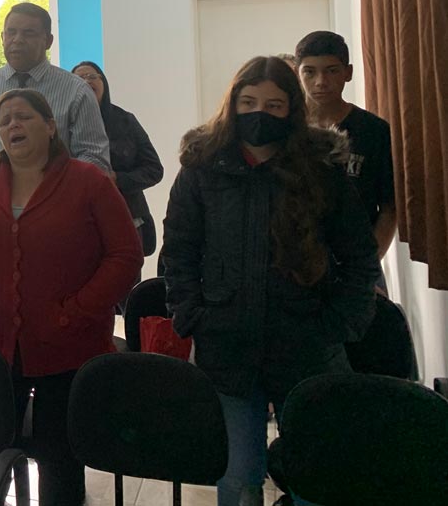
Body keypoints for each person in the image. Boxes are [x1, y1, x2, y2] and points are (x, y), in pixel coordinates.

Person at [162, 56, 378, 506]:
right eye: (248, 102)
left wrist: (340, 323)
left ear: (291, 109)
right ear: (232, 104)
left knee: (314, 479)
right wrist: (192, 315)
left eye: (274, 105)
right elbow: (179, 251)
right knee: (238, 479)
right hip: (227, 347)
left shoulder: (321, 167)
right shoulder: (202, 166)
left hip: (309, 347)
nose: (259, 113)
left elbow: (359, 255)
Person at [0, 88, 141, 505]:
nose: (12, 125)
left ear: (50, 126)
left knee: (59, 462)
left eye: (24, 116)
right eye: (4, 121)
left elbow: (125, 256)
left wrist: (78, 310)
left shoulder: (88, 182)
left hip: (68, 348)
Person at [0, 2, 110, 180]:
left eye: (29, 33)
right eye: (11, 32)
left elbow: (95, 157)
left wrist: (47, 182)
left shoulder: (77, 91)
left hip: (57, 193)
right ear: (2, 37)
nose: (17, 40)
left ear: (48, 41)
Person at [295, 31, 396, 284]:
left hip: (358, 260)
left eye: (331, 71)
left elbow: (389, 208)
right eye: (310, 72)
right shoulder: (288, 130)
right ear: (297, 73)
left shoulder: (373, 130)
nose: (321, 82)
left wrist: (368, 262)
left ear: (348, 73)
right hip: (297, 263)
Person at [71, 61, 164, 256]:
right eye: (79, 78)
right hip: (79, 222)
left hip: (127, 218)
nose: (86, 82)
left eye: (91, 76)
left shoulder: (125, 120)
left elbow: (154, 169)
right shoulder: (63, 123)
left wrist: (117, 179)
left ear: (103, 83)